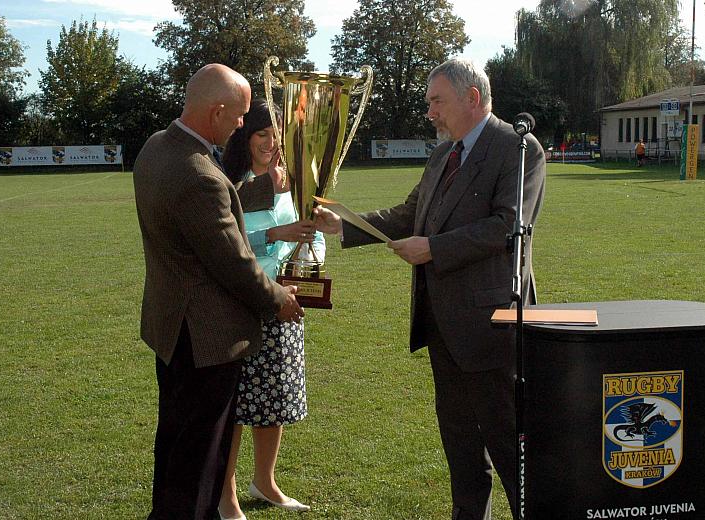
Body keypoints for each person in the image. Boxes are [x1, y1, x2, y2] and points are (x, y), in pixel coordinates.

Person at [315, 58, 546, 520]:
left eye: (436, 102)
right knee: (460, 447)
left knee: (508, 444)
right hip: (442, 325)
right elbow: (410, 212)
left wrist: (434, 249)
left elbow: (506, 226)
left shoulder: (518, 148)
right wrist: (344, 225)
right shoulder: (444, 153)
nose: (429, 113)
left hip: (492, 327)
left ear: (472, 98)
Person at [132, 63, 304, 520]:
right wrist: (279, 299)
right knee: (200, 457)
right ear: (217, 111)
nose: (242, 125)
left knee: (174, 443)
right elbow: (234, 262)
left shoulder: (154, 148)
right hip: (206, 338)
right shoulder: (200, 174)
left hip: (171, 330)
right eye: (240, 115)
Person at [217, 98, 322, 520]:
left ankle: (266, 482)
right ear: (245, 136)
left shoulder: (294, 182)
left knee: (273, 400)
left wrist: (306, 262)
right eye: (263, 134)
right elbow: (229, 247)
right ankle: (226, 497)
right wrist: (275, 233)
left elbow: (312, 235)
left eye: (277, 135)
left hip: (286, 302)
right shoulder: (229, 182)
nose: (272, 144)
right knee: (237, 406)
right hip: (242, 303)